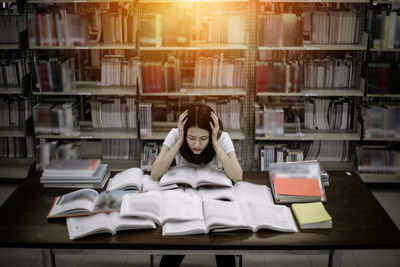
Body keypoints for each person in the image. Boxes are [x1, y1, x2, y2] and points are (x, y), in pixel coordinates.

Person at [151, 104, 242, 267]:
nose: (197, 144)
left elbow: (237, 176)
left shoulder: (221, 138)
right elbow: (155, 173)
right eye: (191, 138)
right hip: (184, 202)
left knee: (223, 248)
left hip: (215, 202)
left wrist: (215, 143)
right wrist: (179, 141)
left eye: (203, 138)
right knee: (175, 250)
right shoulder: (175, 135)